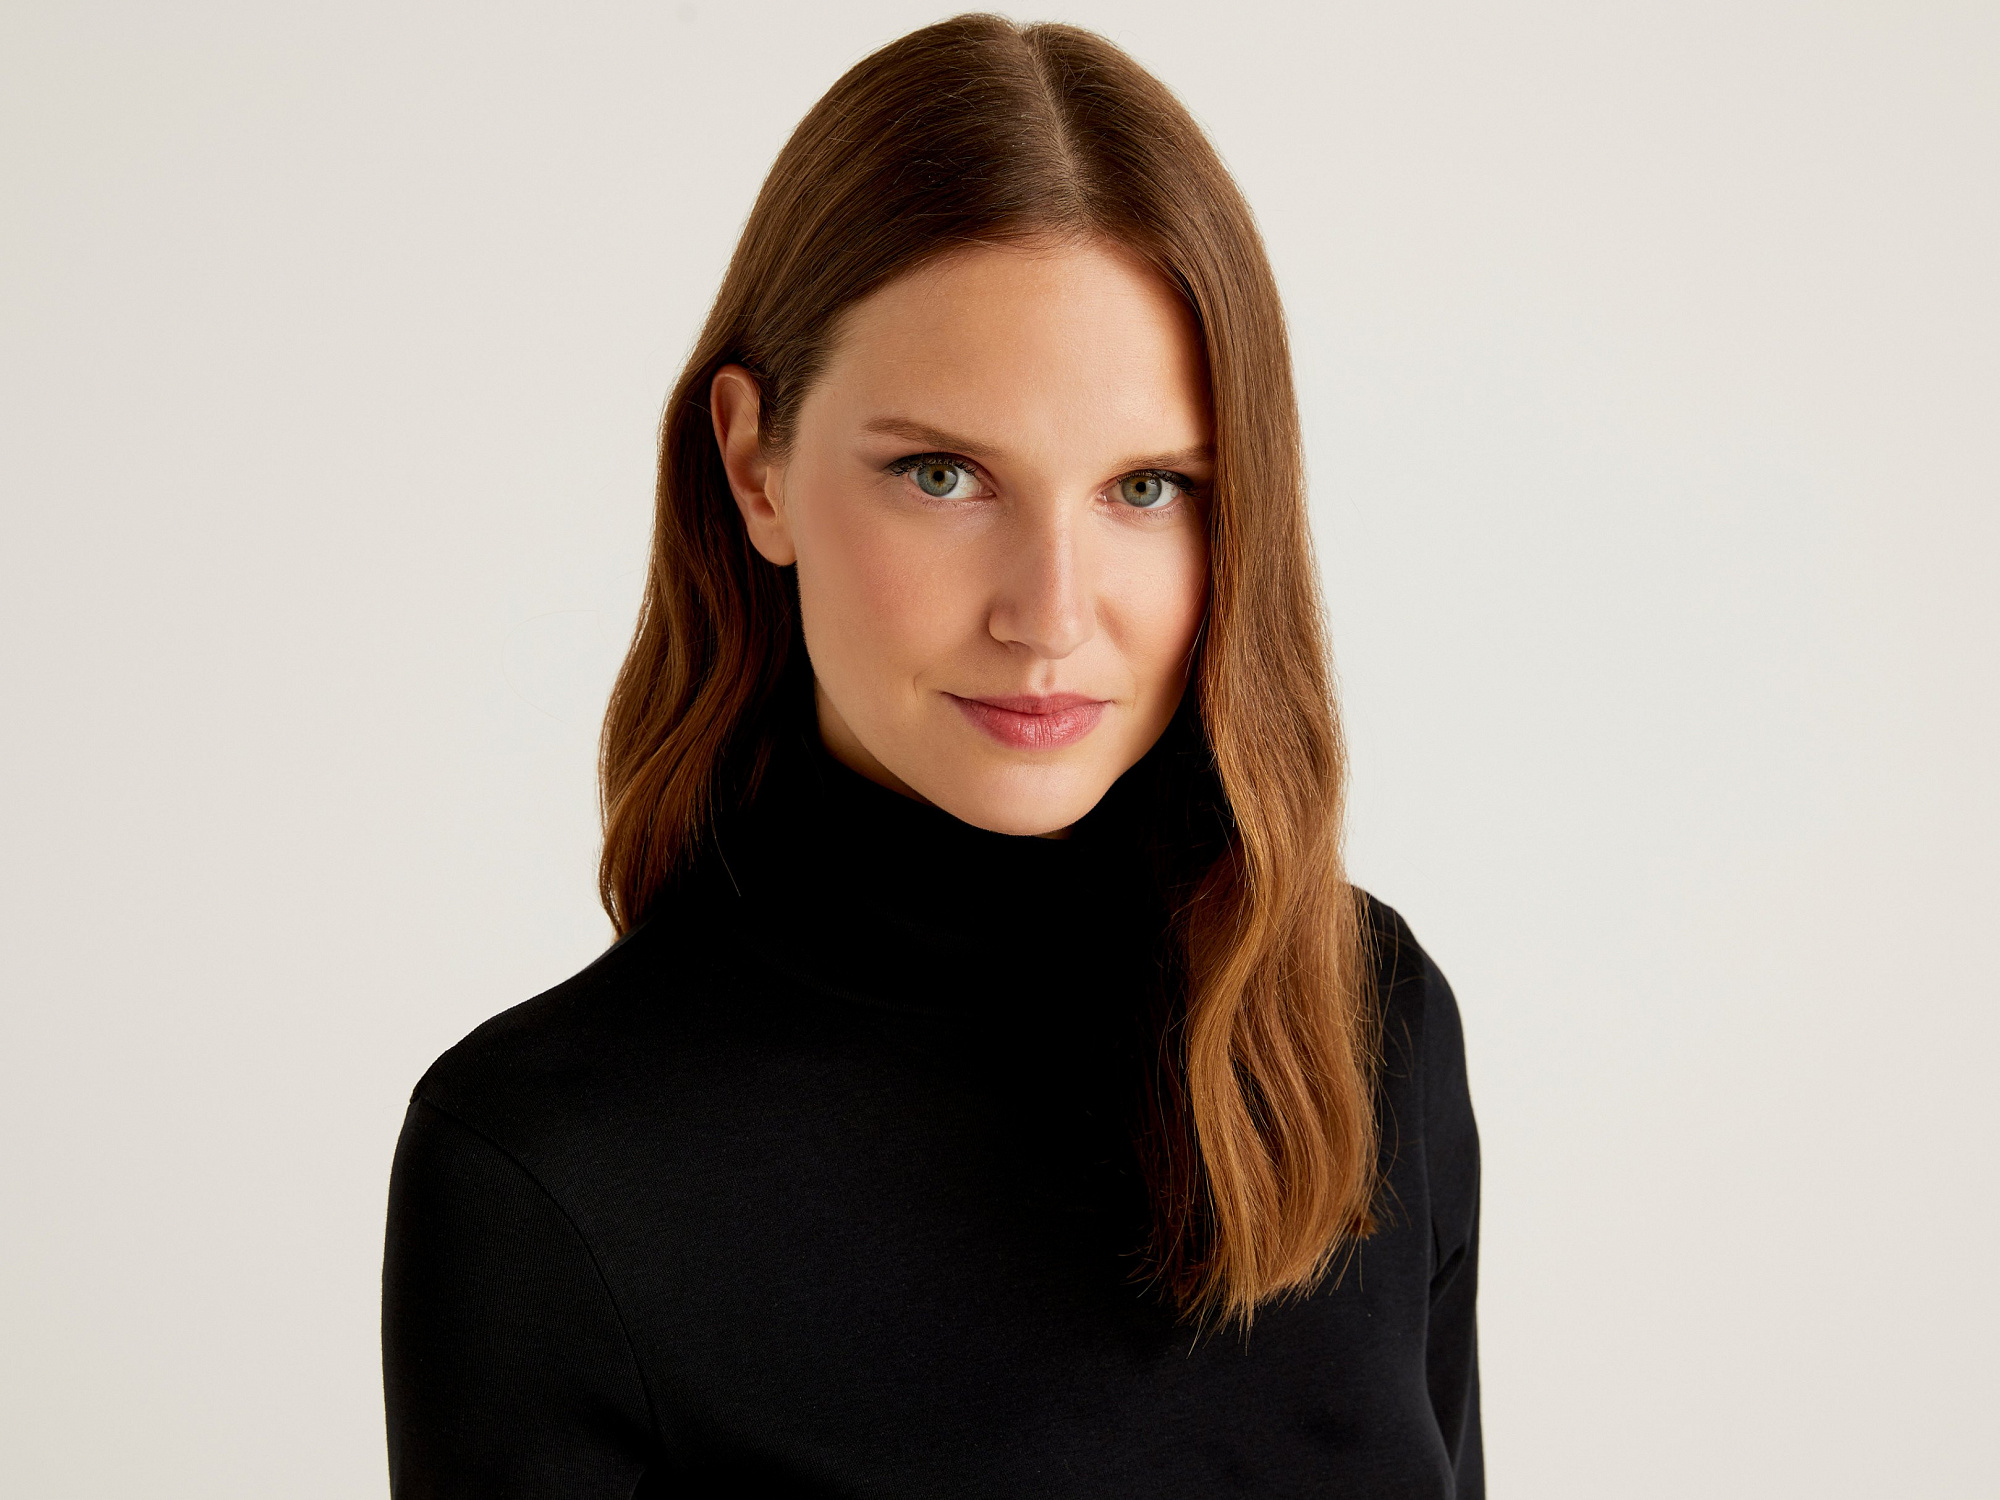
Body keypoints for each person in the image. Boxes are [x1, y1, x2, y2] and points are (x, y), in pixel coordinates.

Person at [381, 14, 1481, 1497]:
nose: (1051, 615)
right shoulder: (546, 1171)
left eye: (1147, 487)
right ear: (755, 465)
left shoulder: (1360, 1023)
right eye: (943, 474)